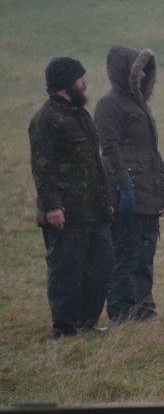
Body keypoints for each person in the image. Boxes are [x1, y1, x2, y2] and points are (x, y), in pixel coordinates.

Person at [29, 56, 115, 338]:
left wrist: (107, 200)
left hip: (94, 210)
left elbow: (94, 162)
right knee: (67, 271)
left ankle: (86, 325)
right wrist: (53, 206)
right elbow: (43, 168)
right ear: (66, 83)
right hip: (66, 213)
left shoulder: (80, 115)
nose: (85, 82)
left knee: (100, 266)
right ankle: (65, 330)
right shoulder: (46, 119)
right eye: (80, 77)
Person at [94, 46, 164, 325]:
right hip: (129, 196)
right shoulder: (110, 105)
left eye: (145, 69)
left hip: (149, 196)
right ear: (125, 70)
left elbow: (149, 152)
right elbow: (109, 149)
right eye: (138, 68)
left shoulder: (139, 105)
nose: (143, 73)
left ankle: (144, 311)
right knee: (126, 256)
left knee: (144, 256)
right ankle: (121, 315)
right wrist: (123, 186)